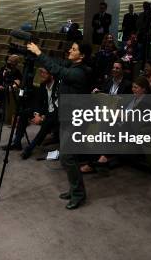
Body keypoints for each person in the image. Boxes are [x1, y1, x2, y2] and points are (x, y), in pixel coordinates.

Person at [26, 41, 92, 210]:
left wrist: (39, 53)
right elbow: (57, 63)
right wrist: (39, 53)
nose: (70, 50)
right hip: (67, 116)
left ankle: (78, 194)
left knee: (68, 157)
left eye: (75, 49)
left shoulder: (80, 73)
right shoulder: (72, 64)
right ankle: (75, 189)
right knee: (68, 158)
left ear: (82, 56)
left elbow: (57, 70)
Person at [10, 68, 60, 159]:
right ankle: (17, 143)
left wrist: (43, 117)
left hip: (56, 114)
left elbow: (59, 108)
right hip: (45, 111)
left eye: (44, 73)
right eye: (41, 72)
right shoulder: (43, 85)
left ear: (51, 75)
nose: (41, 75)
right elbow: (39, 102)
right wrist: (37, 114)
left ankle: (29, 149)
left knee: (47, 123)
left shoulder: (58, 86)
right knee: (24, 113)